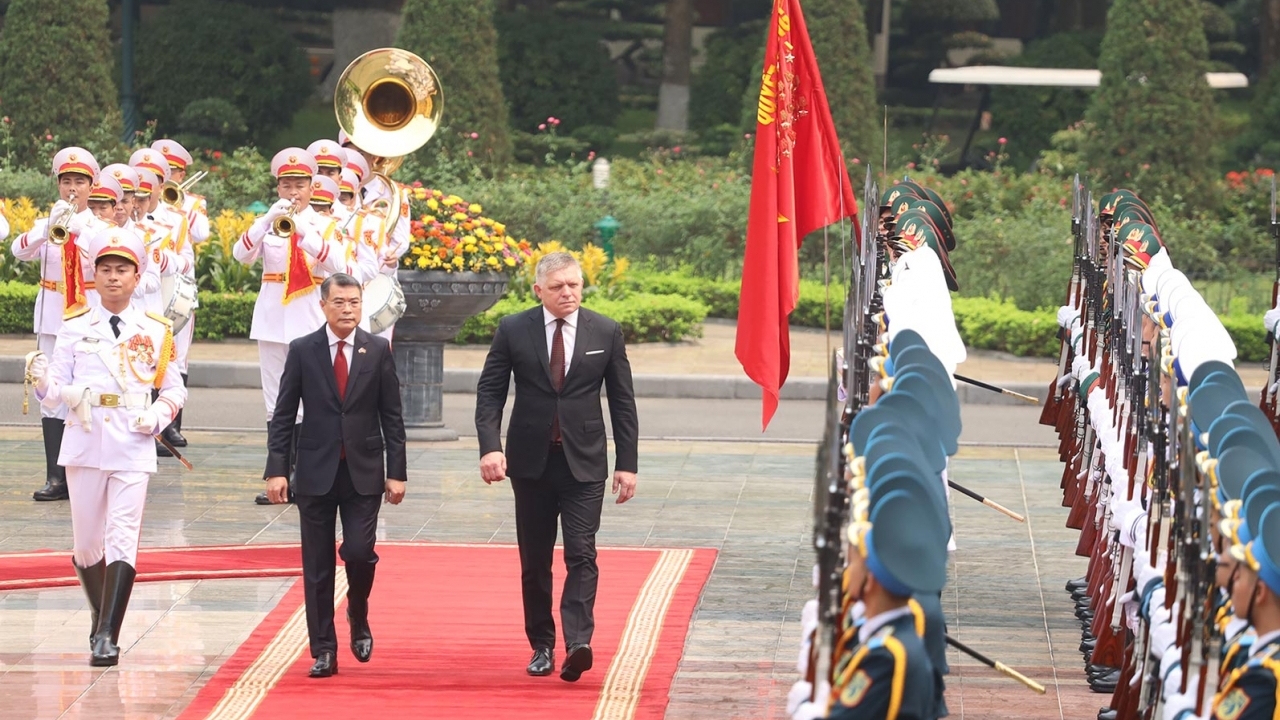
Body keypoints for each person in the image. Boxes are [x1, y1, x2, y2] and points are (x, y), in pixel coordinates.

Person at [475, 251, 640, 682]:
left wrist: (627, 463)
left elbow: (623, 402)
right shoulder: (514, 329)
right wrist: (490, 447)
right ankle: (542, 645)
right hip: (530, 462)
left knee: (582, 552)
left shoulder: (605, 330)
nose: (567, 293)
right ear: (538, 291)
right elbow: (490, 392)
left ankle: (578, 643)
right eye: (557, 287)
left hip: (585, 462)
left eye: (574, 285)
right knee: (535, 559)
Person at [27, 226, 186, 666]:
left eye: (122, 270)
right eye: (106, 269)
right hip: (84, 439)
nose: (114, 277)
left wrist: (158, 415)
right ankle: (101, 616)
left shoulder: (155, 329)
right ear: (94, 276)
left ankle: (107, 636)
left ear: (137, 277)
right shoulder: (74, 326)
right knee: (86, 545)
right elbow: (55, 395)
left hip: (132, 442)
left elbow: (174, 389)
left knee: (122, 536)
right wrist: (41, 381)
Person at [264, 272, 407, 678]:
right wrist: (277, 470)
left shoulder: (376, 350)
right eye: (339, 302)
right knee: (317, 565)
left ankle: (357, 612)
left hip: (364, 471)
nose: (347, 309)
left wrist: (396, 472)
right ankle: (323, 649)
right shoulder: (303, 350)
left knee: (360, 551)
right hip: (315, 471)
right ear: (323, 305)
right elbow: (283, 415)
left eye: (354, 302)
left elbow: (392, 416)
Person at [235, 148, 365, 505]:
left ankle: (305, 474)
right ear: (278, 187)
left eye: (299, 186)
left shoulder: (326, 225)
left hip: (307, 318)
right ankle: (277, 473)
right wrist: (265, 222)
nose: (293, 192)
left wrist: (306, 232)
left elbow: (344, 268)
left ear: (311, 187)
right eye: (286, 185)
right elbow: (240, 254)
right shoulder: (270, 223)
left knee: (310, 399)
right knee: (274, 400)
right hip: (272, 317)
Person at [11, 146, 101, 502]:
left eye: (79, 182)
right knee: (50, 391)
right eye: (66, 182)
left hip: (87, 315)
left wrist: (82, 231)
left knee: (87, 389)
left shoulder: (99, 227)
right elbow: (19, 250)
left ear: (91, 186)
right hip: (52, 317)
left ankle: (87, 471)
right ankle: (55, 476)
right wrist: (47, 229)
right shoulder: (47, 221)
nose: (72, 188)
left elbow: (107, 257)